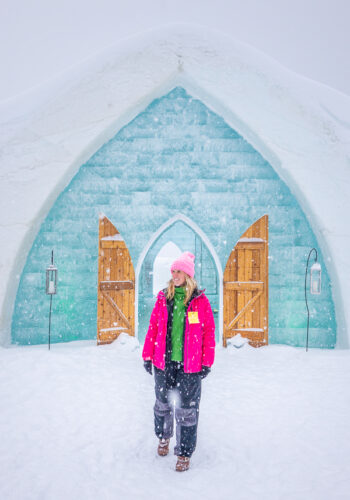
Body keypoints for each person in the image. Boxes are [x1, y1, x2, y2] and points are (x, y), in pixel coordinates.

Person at [142, 251, 216, 472]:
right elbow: (153, 328)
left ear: (187, 274)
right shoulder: (164, 298)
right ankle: (163, 437)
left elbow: (209, 333)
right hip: (164, 362)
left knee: (187, 409)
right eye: (173, 271)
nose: (174, 275)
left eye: (178, 271)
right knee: (162, 404)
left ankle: (184, 452)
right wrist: (147, 355)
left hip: (190, 365)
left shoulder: (199, 302)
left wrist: (206, 362)